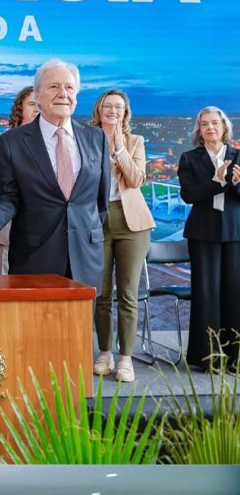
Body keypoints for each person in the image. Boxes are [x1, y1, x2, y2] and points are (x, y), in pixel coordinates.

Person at [0, 60, 109, 291]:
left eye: (69, 87)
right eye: (54, 86)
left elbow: (101, 202)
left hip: (86, 258)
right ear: (37, 96)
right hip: (34, 257)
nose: (63, 93)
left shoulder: (96, 138)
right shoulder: (13, 142)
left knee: (82, 317)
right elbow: (8, 197)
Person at [88, 89, 155, 383]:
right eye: (108, 105)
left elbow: (136, 179)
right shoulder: (86, 138)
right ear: (99, 109)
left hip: (132, 223)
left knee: (127, 293)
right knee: (101, 293)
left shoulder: (135, 141)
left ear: (125, 113)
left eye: (119, 107)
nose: (113, 110)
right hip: (96, 220)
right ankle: (105, 352)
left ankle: (126, 357)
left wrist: (119, 150)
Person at [177, 107, 240, 370]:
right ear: (199, 130)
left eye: (215, 123)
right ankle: (209, 358)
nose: (210, 128)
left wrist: (236, 183)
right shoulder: (189, 158)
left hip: (235, 232)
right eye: (204, 124)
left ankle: (236, 358)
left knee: (236, 293)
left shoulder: (238, 156)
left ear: (224, 127)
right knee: (206, 294)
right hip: (202, 233)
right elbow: (188, 195)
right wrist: (216, 181)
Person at [0, 85, 39, 274]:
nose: (37, 109)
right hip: (6, 230)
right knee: (1, 282)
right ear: (20, 108)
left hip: (39, 231)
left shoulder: (51, 144)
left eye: (40, 105)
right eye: (32, 104)